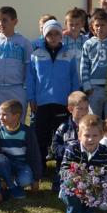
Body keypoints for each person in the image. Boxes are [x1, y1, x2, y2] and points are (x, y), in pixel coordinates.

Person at [27, 19, 79, 161]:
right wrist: (31, 98)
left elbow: (74, 78)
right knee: (41, 134)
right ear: (44, 36)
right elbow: (31, 79)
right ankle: (40, 164)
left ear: (61, 35)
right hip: (42, 102)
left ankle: (61, 163)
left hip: (63, 102)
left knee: (62, 134)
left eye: (57, 33)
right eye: (50, 34)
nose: (53, 37)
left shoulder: (69, 54)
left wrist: (74, 99)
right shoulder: (36, 55)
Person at [0, 6, 33, 132]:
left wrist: (26, 88)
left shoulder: (24, 43)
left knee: (16, 121)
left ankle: (17, 144)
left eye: (4, 20)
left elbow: (29, 67)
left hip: (17, 89)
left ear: (15, 21)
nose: (0, 24)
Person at [59, 114, 107, 213]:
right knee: (72, 189)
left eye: (95, 135)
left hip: (92, 182)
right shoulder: (72, 149)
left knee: (103, 186)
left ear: (101, 136)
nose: (90, 139)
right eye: (87, 135)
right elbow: (63, 169)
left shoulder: (105, 152)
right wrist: (75, 177)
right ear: (79, 135)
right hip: (73, 182)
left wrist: (95, 181)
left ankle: (88, 211)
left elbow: (104, 171)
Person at [0, 99, 43, 199]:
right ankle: (12, 187)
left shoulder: (27, 132)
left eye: (4, 114)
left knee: (25, 181)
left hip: (22, 165)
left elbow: (34, 155)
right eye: (0, 114)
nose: (0, 117)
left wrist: (36, 179)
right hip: (5, 164)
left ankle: (13, 181)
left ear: (16, 116)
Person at [80, 9, 107, 118]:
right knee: (94, 119)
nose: (99, 28)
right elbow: (84, 66)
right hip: (94, 88)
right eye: (97, 25)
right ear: (92, 27)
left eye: (102, 25)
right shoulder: (88, 44)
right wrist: (86, 85)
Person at [51, 91, 89, 191]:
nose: (84, 111)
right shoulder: (64, 127)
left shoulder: (91, 126)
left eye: (86, 108)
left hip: (86, 165)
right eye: (80, 108)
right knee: (60, 186)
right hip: (67, 165)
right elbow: (55, 147)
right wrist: (68, 150)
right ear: (70, 109)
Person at [62, 7, 89, 83]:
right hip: (66, 81)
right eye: (71, 24)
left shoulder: (87, 41)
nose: (74, 27)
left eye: (77, 24)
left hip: (82, 82)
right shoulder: (61, 40)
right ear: (66, 24)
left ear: (82, 24)